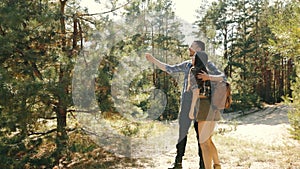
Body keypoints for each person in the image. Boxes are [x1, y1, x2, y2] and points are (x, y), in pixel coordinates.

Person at [145, 40, 207, 169]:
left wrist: (210, 77)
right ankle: (178, 162)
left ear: (199, 50)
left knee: (201, 135)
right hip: (186, 101)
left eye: (192, 46)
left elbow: (220, 80)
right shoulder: (187, 65)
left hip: (201, 103)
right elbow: (170, 68)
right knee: (182, 133)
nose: (189, 48)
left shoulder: (208, 67)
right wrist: (153, 60)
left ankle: (203, 165)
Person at [188, 50, 225, 169]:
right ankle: (217, 165)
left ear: (197, 59)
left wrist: (191, 109)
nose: (191, 59)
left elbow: (196, 92)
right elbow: (222, 79)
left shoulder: (193, 71)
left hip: (203, 106)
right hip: (213, 107)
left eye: (193, 57)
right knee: (208, 140)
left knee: (203, 143)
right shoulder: (208, 72)